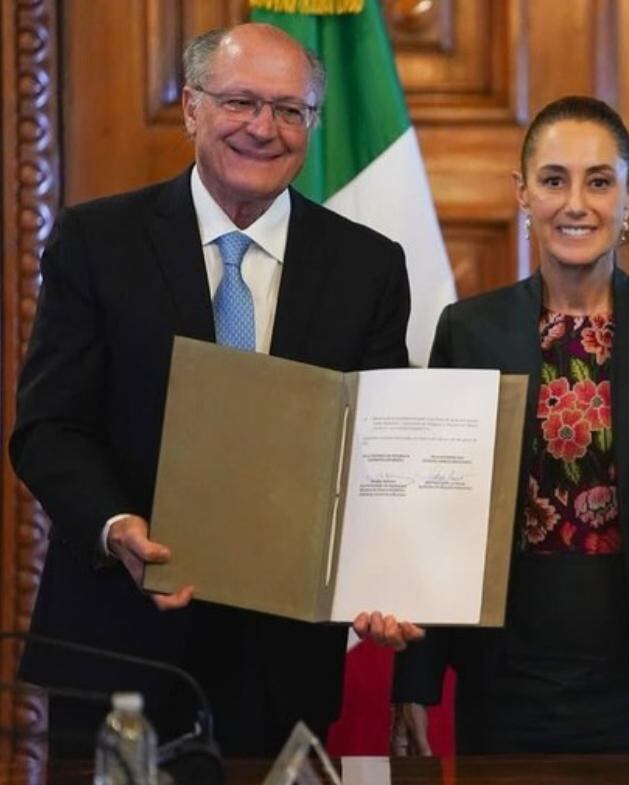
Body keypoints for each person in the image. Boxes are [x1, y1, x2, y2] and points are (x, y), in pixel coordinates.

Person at [11, 23, 422, 757]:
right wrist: (116, 526)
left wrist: (385, 575)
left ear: (312, 124)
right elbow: (49, 427)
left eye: (289, 110)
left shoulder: (368, 266)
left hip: (281, 663)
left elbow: (376, 448)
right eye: (240, 102)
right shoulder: (96, 242)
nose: (263, 128)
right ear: (192, 108)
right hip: (118, 645)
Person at [357, 95, 629, 754]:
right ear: (523, 193)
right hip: (506, 679)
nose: (576, 204)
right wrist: (413, 682)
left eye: (599, 182)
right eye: (554, 180)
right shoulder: (469, 330)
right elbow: (439, 516)